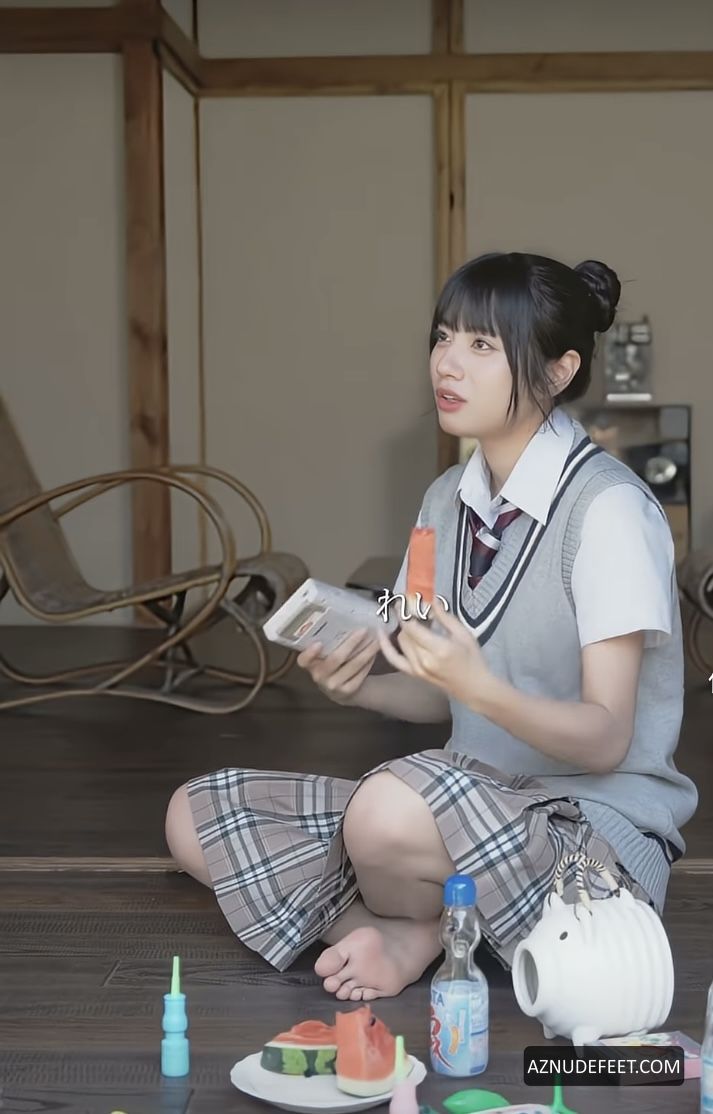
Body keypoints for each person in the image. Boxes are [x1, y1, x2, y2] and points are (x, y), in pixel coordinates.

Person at [165, 251, 697, 1003]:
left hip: (590, 837)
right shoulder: (447, 499)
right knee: (194, 818)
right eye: (444, 337)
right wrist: (359, 691)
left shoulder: (608, 510)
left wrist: (477, 687)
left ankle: (418, 931)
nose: (447, 363)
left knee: (384, 812)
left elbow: (606, 738)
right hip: (459, 809)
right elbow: (439, 692)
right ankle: (407, 929)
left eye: (482, 345)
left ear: (557, 371)